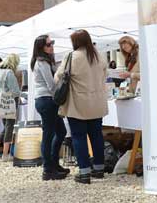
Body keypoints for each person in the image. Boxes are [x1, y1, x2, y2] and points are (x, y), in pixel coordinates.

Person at [55, 30, 108, 184]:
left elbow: (58, 77)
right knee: (96, 136)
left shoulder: (71, 56)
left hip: (78, 103)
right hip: (97, 101)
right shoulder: (99, 55)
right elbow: (104, 75)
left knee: (79, 137)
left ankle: (84, 172)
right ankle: (99, 168)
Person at [31, 35, 69, 181]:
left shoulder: (45, 61)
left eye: (52, 43)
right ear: (41, 47)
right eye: (48, 44)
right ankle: (48, 169)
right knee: (49, 135)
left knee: (60, 132)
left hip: (46, 100)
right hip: (47, 100)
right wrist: (61, 98)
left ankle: (53, 164)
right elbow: (51, 85)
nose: (51, 46)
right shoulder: (42, 62)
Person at [0, 54, 21, 162]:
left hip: (0, 102)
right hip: (10, 102)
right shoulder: (9, 73)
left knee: (6, 127)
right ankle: (5, 154)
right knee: (9, 127)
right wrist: (21, 95)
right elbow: (15, 91)